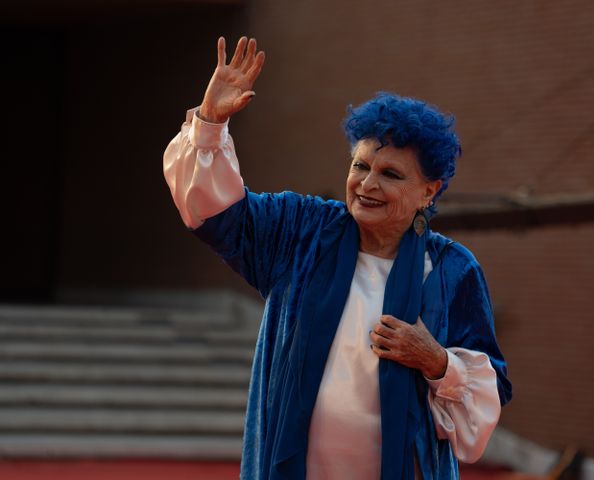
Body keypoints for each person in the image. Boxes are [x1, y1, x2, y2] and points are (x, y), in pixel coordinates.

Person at [164, 36, 511, 480]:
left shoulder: (452, 270)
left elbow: (481, 413)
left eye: (390, 174)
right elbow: (215, 214)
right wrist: (210, 122)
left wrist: (437, 362)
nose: (366, 184)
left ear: (429, 192)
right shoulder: (302, 230)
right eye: (359, 165)